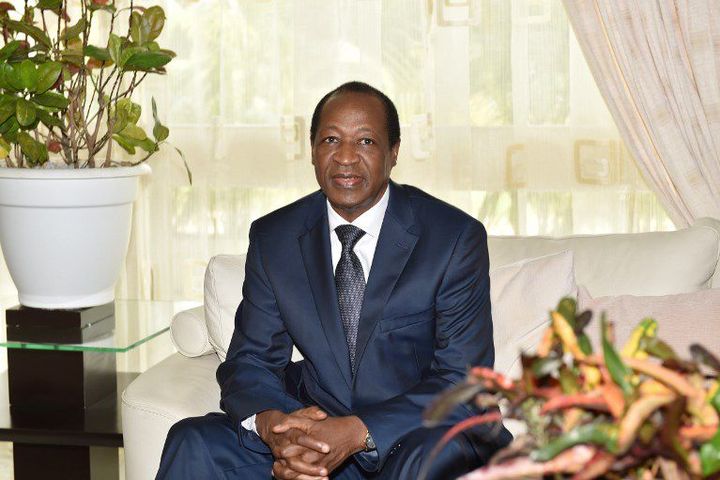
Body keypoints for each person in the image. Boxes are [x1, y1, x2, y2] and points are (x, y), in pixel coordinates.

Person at [156, 81, 510, 480]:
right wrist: (279, 429)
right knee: (193, 441)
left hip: (416, 434)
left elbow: (463, 382)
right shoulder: (276, 238)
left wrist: (359, 432)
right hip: (315, 426)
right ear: (312, 150)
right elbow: (251, 360)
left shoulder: (452, 238)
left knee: (420, 463)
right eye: (330, 139)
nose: (345, 157)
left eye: (365, 142)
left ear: (393, 152)